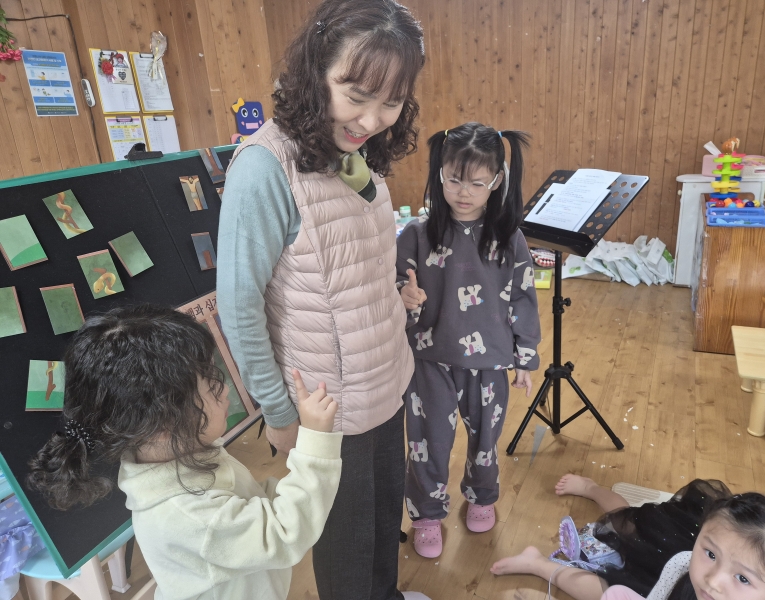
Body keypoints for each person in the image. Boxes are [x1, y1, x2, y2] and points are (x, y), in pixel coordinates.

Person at [216, 1, 429, 598]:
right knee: (347, 553)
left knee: (384, 527)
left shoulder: (353, 152)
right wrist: (280, 415)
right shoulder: (264, 169)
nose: (372, 119)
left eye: (392, 102)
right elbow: (239, 307)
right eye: (356, 95)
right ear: (315, 73)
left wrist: (397, 296)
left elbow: (353, 257)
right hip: (326, 408)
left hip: (384, 381)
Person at [27, 305, 343, 600]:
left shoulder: (174, 455)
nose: (224, 389)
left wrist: (291, 491)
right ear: (163, 422)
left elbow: (249, 501)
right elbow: (285, 534)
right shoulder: (188, 514)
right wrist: (315, 444)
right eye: (210, 386)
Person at [397, 122, 542, 558]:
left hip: (490, 362)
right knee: (427, 443)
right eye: (455, 179)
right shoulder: (416, 234)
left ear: (496, 181)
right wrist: (404, 297)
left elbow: (523, 296)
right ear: (439, 173)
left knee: (485, 441)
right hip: (430, 360)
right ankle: (426, 515)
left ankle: (482, 496)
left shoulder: (509, 238)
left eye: (478, 183)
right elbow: (394, 287)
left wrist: (525, 357)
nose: (464, 192)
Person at [491, 475, 765, 600]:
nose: (713, 581)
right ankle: (591, 489)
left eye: (743, 579)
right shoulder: (684, 563)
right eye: (709, 554)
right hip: (669, 559)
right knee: (629, 525)